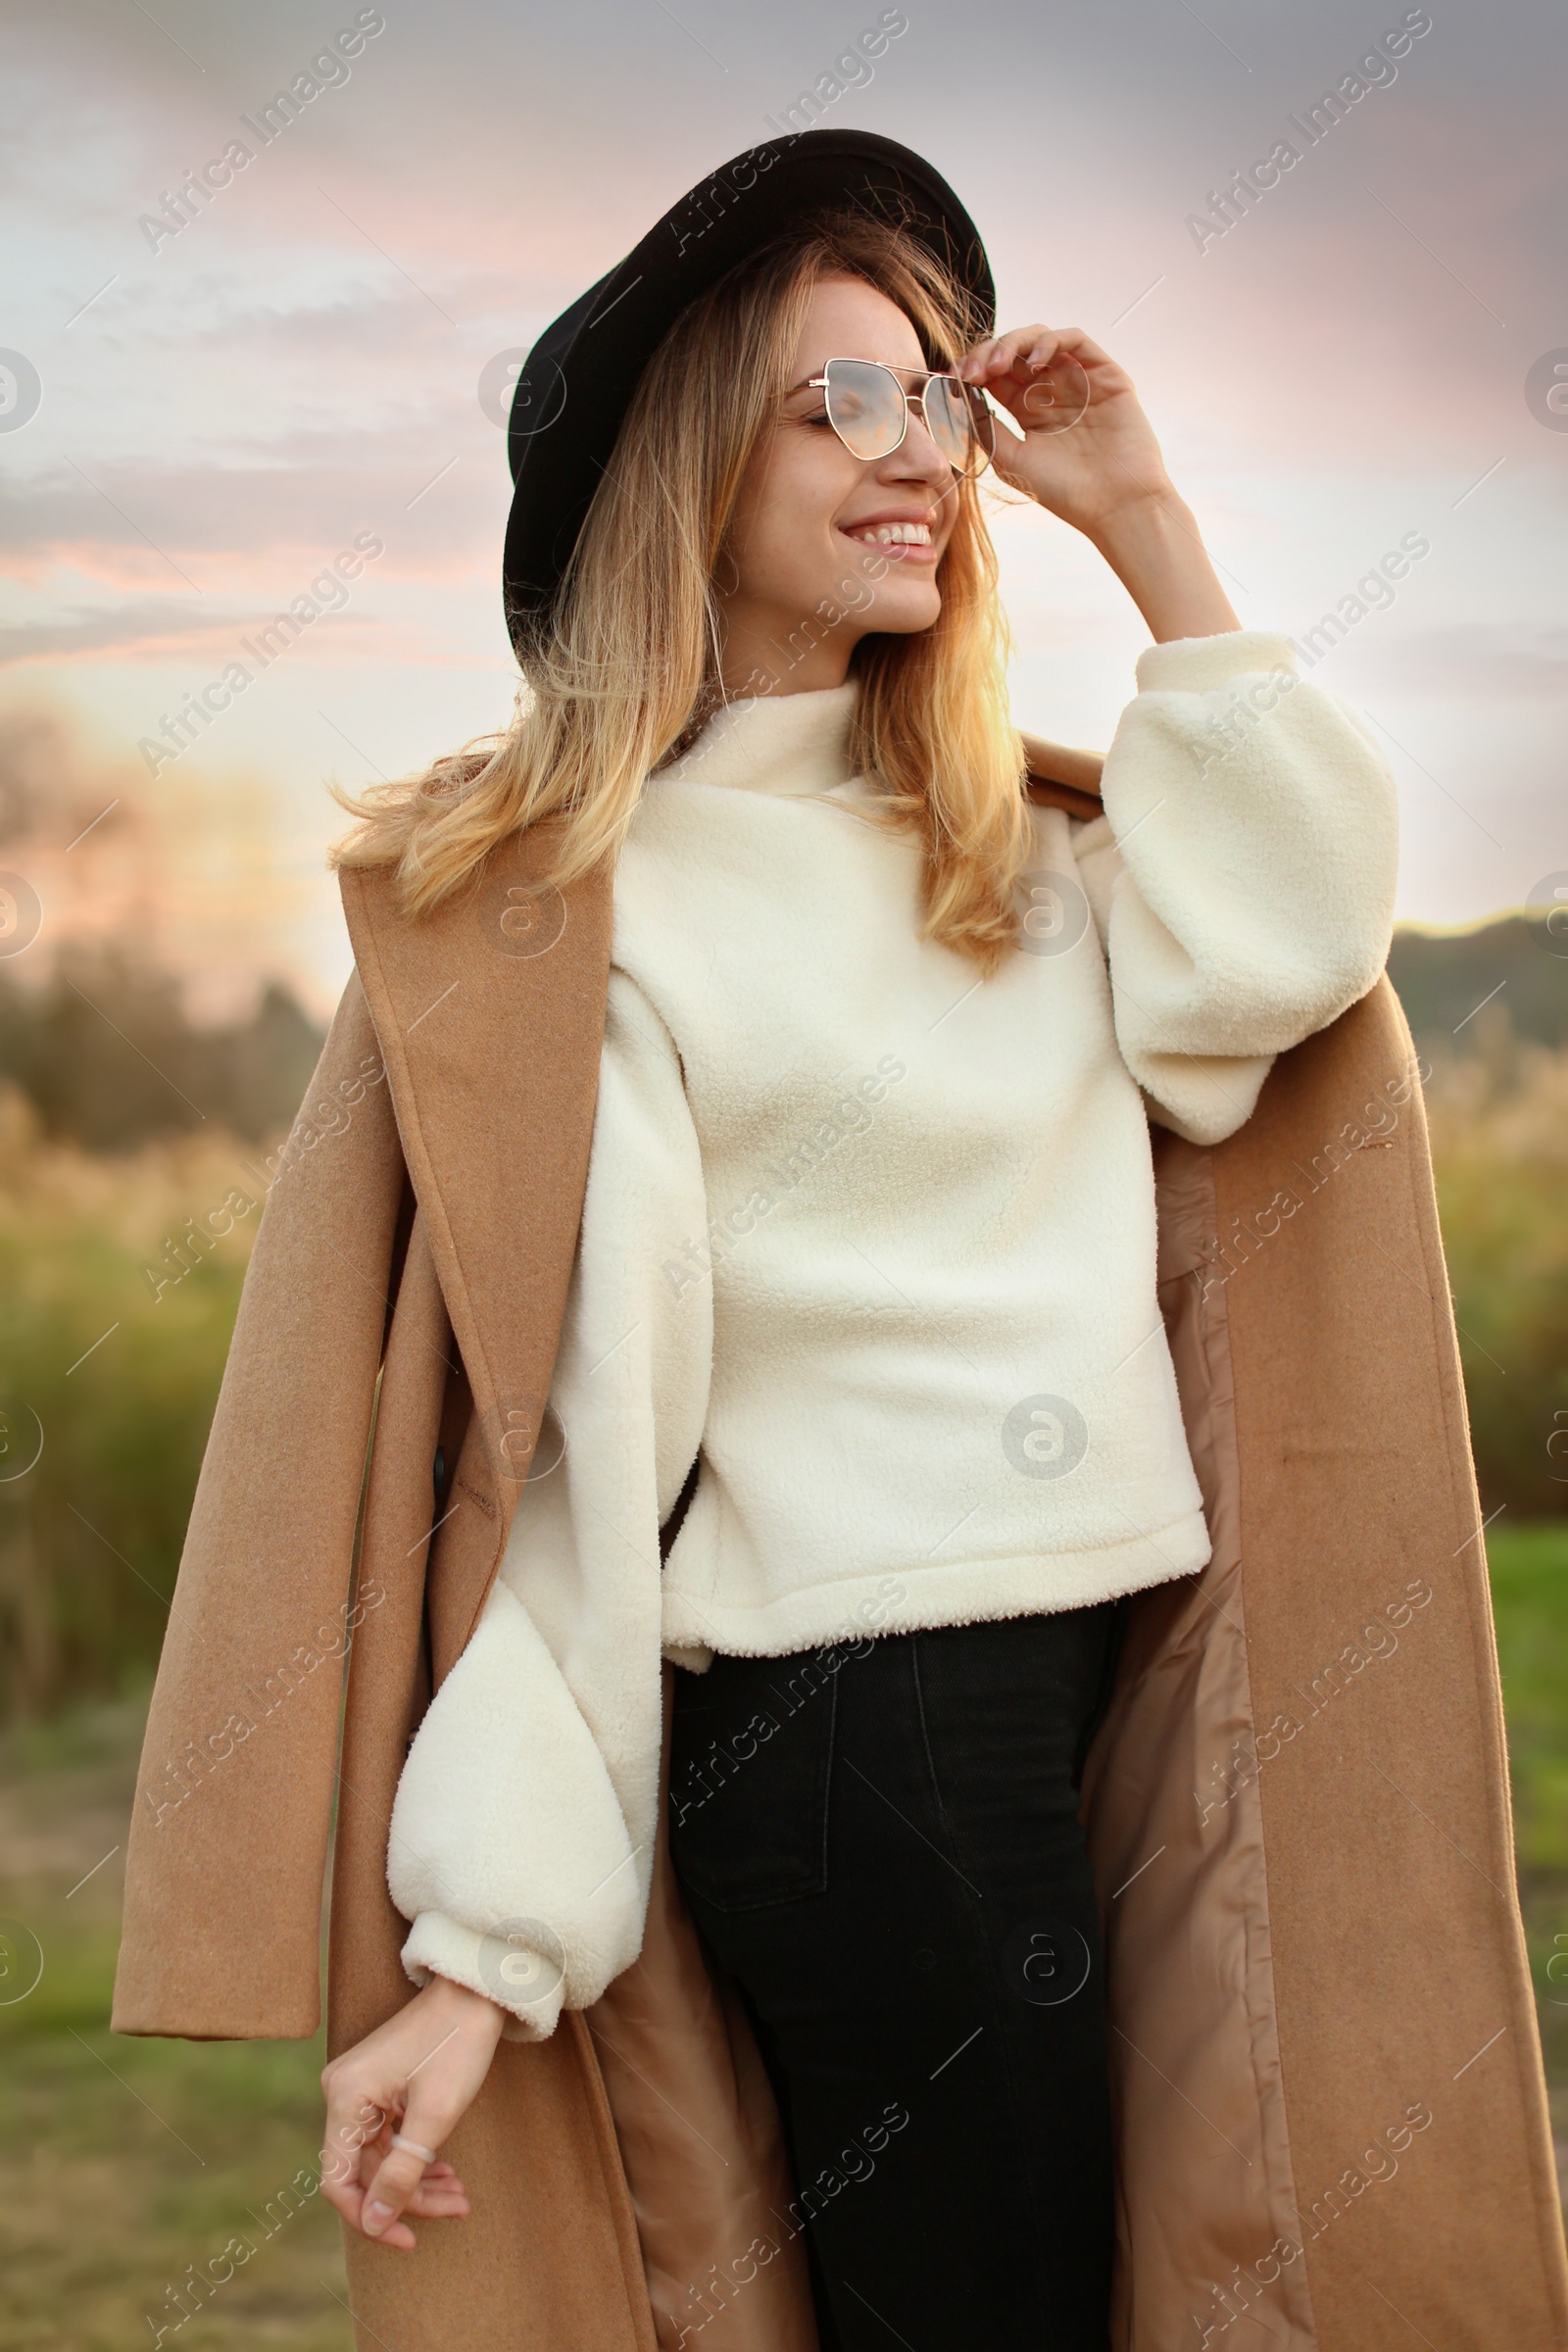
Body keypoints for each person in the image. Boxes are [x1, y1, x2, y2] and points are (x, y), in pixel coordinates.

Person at [316, 150, 1396, 2347]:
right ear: (684, 460)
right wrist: (484, 1959)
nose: (912, 454)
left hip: (1070, 1700)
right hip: (851, 1746)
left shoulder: (1016, 848)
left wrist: (1143, 519)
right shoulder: (610, 918)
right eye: (834, 400)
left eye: (930, 398)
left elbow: (1286, 954)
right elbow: (592, 1455)